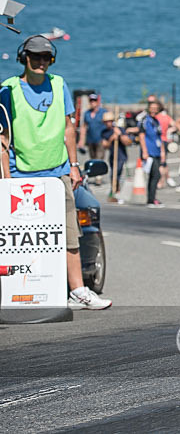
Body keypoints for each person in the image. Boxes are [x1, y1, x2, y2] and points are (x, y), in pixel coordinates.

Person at [0, 34, 111, 309]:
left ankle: (78, 291)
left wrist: (74, 166)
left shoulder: (59, 84)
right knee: (19, 240)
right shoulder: (8, 89)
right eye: (35, 57)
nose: (41, 62)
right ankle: (16, 292)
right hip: (21, 173)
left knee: (68, 233)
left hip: (57, 171)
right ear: (23, 58)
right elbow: (3, 138)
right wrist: (7, 177)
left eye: (46, 58)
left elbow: (69, 127)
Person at [100, 111, 133, 201]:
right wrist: (112, 138)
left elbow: (128, 142)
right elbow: (105, 145)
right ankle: (115, 190)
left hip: (121, 155)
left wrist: (120, 135)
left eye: (109, 121)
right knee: (113, 174)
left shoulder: (120, 129)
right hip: (112, 156)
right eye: (106, 122)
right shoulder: (104, 132)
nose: (108, 123)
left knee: (117, 173)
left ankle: (115, 190)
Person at [139, 100, 165, 207]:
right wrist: (144, 151)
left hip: (157, 151)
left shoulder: (156, 121)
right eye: (152, 108)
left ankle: (151, 198)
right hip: (149, 152)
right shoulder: (145, 121)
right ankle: (151, 199)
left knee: (153, 176)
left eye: (156, 108)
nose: (154, 110)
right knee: (156, 175)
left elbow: (160, 138)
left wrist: (163, 152)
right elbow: (141, 136)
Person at [77, 93, 107, 184]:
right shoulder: (87, 113)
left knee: (99, 156)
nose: (92, 103)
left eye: (94, 101)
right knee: (92, 156)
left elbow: (108, 125)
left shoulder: (103, 112)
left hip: (100, 138)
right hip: (90, 139)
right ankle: (94, 173)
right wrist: (81, 141)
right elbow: (83, 127)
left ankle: (99, 176)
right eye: (91, 101)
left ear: (97, 102)